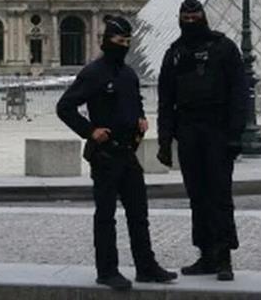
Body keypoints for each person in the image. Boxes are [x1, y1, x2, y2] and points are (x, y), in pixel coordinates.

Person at [56, 16, 176, 291]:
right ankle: (107, 270)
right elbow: (65, 107)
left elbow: (135, 102)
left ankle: (146, 267)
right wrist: (89, 131)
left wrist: (142, 119)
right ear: (106, 41)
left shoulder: (129, 73)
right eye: (118, 41)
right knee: (106, 215)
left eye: (126, 42)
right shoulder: (93, 72)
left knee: (139, 213)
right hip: (105, 155)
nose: (123, 46)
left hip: (127, 152)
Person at [156, 0, 247, 281]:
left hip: (217, 129)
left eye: (195, 17)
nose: (191, 22)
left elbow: (239, 95)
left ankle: (224, 257)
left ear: (204, 17)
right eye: (187, 18)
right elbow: (165, 100)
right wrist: (164, 141)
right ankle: (206, 253)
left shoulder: (224, 48)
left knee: (220, 194)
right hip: (189, 130)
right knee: (197, 196)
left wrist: (235, 135)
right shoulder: (174, 53)